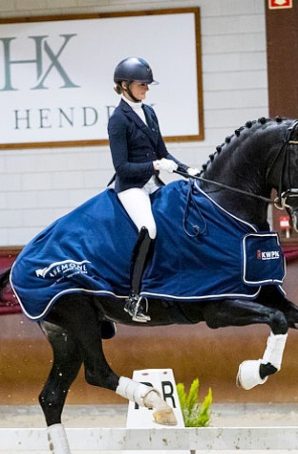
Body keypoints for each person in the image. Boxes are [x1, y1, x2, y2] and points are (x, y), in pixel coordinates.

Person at [108, 56, 199, 322]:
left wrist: (186, 169)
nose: (146, 89)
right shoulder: (118, 120)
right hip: (131, 187)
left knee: (177, 220)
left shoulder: (149, 112)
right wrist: (155, 165)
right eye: (141, 85)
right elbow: (122, 167)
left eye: (147, 85)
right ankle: (133, 299)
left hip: (153, 183)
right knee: (150, 228)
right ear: (124, 85)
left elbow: (163, 152)